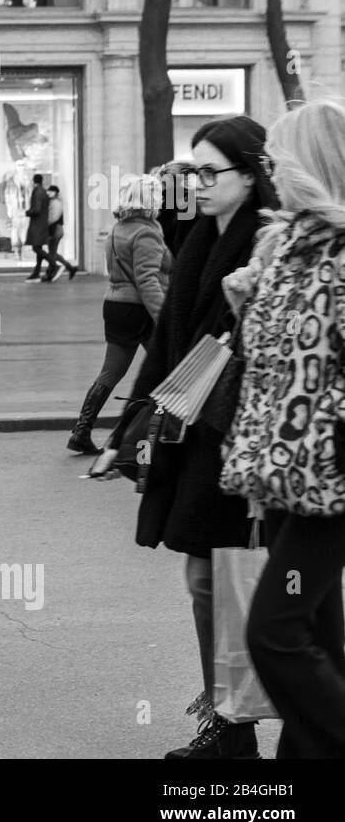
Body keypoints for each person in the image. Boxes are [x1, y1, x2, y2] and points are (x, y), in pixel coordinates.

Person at [119, 114, 278, 759]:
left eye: (213, 172)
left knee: (230, 577)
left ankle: (243, 724)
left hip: (236, 434)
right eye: (195, 171)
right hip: (196, 430)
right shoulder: (198, 237)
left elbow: (240, 346)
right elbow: (168, 339)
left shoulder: (267, 244)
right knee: (206, 576)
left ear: (251, 175)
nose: (198, 183)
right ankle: (232, 722)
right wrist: (131, 426)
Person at [220, 99, 345, 758]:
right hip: (286, 472)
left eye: (277, 156)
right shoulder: (288, 243)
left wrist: (328, 428)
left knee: (274, 628)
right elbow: (275, 362)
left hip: (331, 476)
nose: (268, 167)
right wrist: (249, 304)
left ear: (310, 162)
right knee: (318, 634)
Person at [68, 173, 171, 454]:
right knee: (168, 365)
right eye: (158, 194)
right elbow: (147, 280)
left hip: (115, 306)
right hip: (139, 309)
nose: (162, 199)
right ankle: (154, 432)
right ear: (148, 198)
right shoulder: (147, 231)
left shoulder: (117, 229)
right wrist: (164, 319)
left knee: (111, 372)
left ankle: (82, 430)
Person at [41, 185, 78, 281]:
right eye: (48, 191)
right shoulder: (54, 201)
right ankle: (70, 268)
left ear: (56, 193)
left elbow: (54, 218)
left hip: (55, 229)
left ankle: (50, 274)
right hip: (55, 229)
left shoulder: (56, 202)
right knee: (52, 253)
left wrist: (47, 228)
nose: (49, 193)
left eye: (51, 191)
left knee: (51, 254)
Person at [24, 173, 50, 281]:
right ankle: (36, 271)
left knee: (36, 247)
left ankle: (53, 263)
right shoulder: (43, 191)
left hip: (37, 224)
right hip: (41, 223)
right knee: (38, 248)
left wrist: (28, 212)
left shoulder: (38, 192)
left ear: (33, 180)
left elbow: (37, 209)